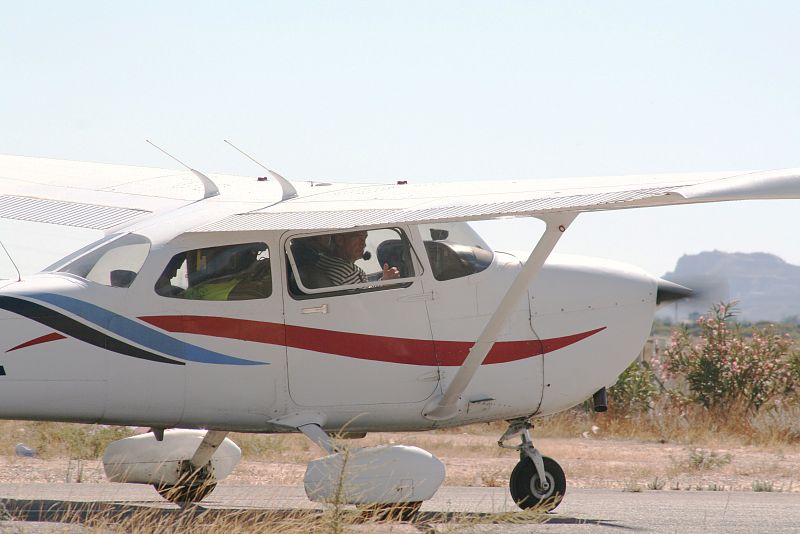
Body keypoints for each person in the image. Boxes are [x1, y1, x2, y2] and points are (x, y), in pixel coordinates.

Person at [315, 231, 400, 287]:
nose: (364, 244)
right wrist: (386, 284)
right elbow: (367, 301)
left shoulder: (322, 260)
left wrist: (383, 281)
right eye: (359, 238)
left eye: (364, 239)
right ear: (339, 239)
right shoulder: (347, 273)